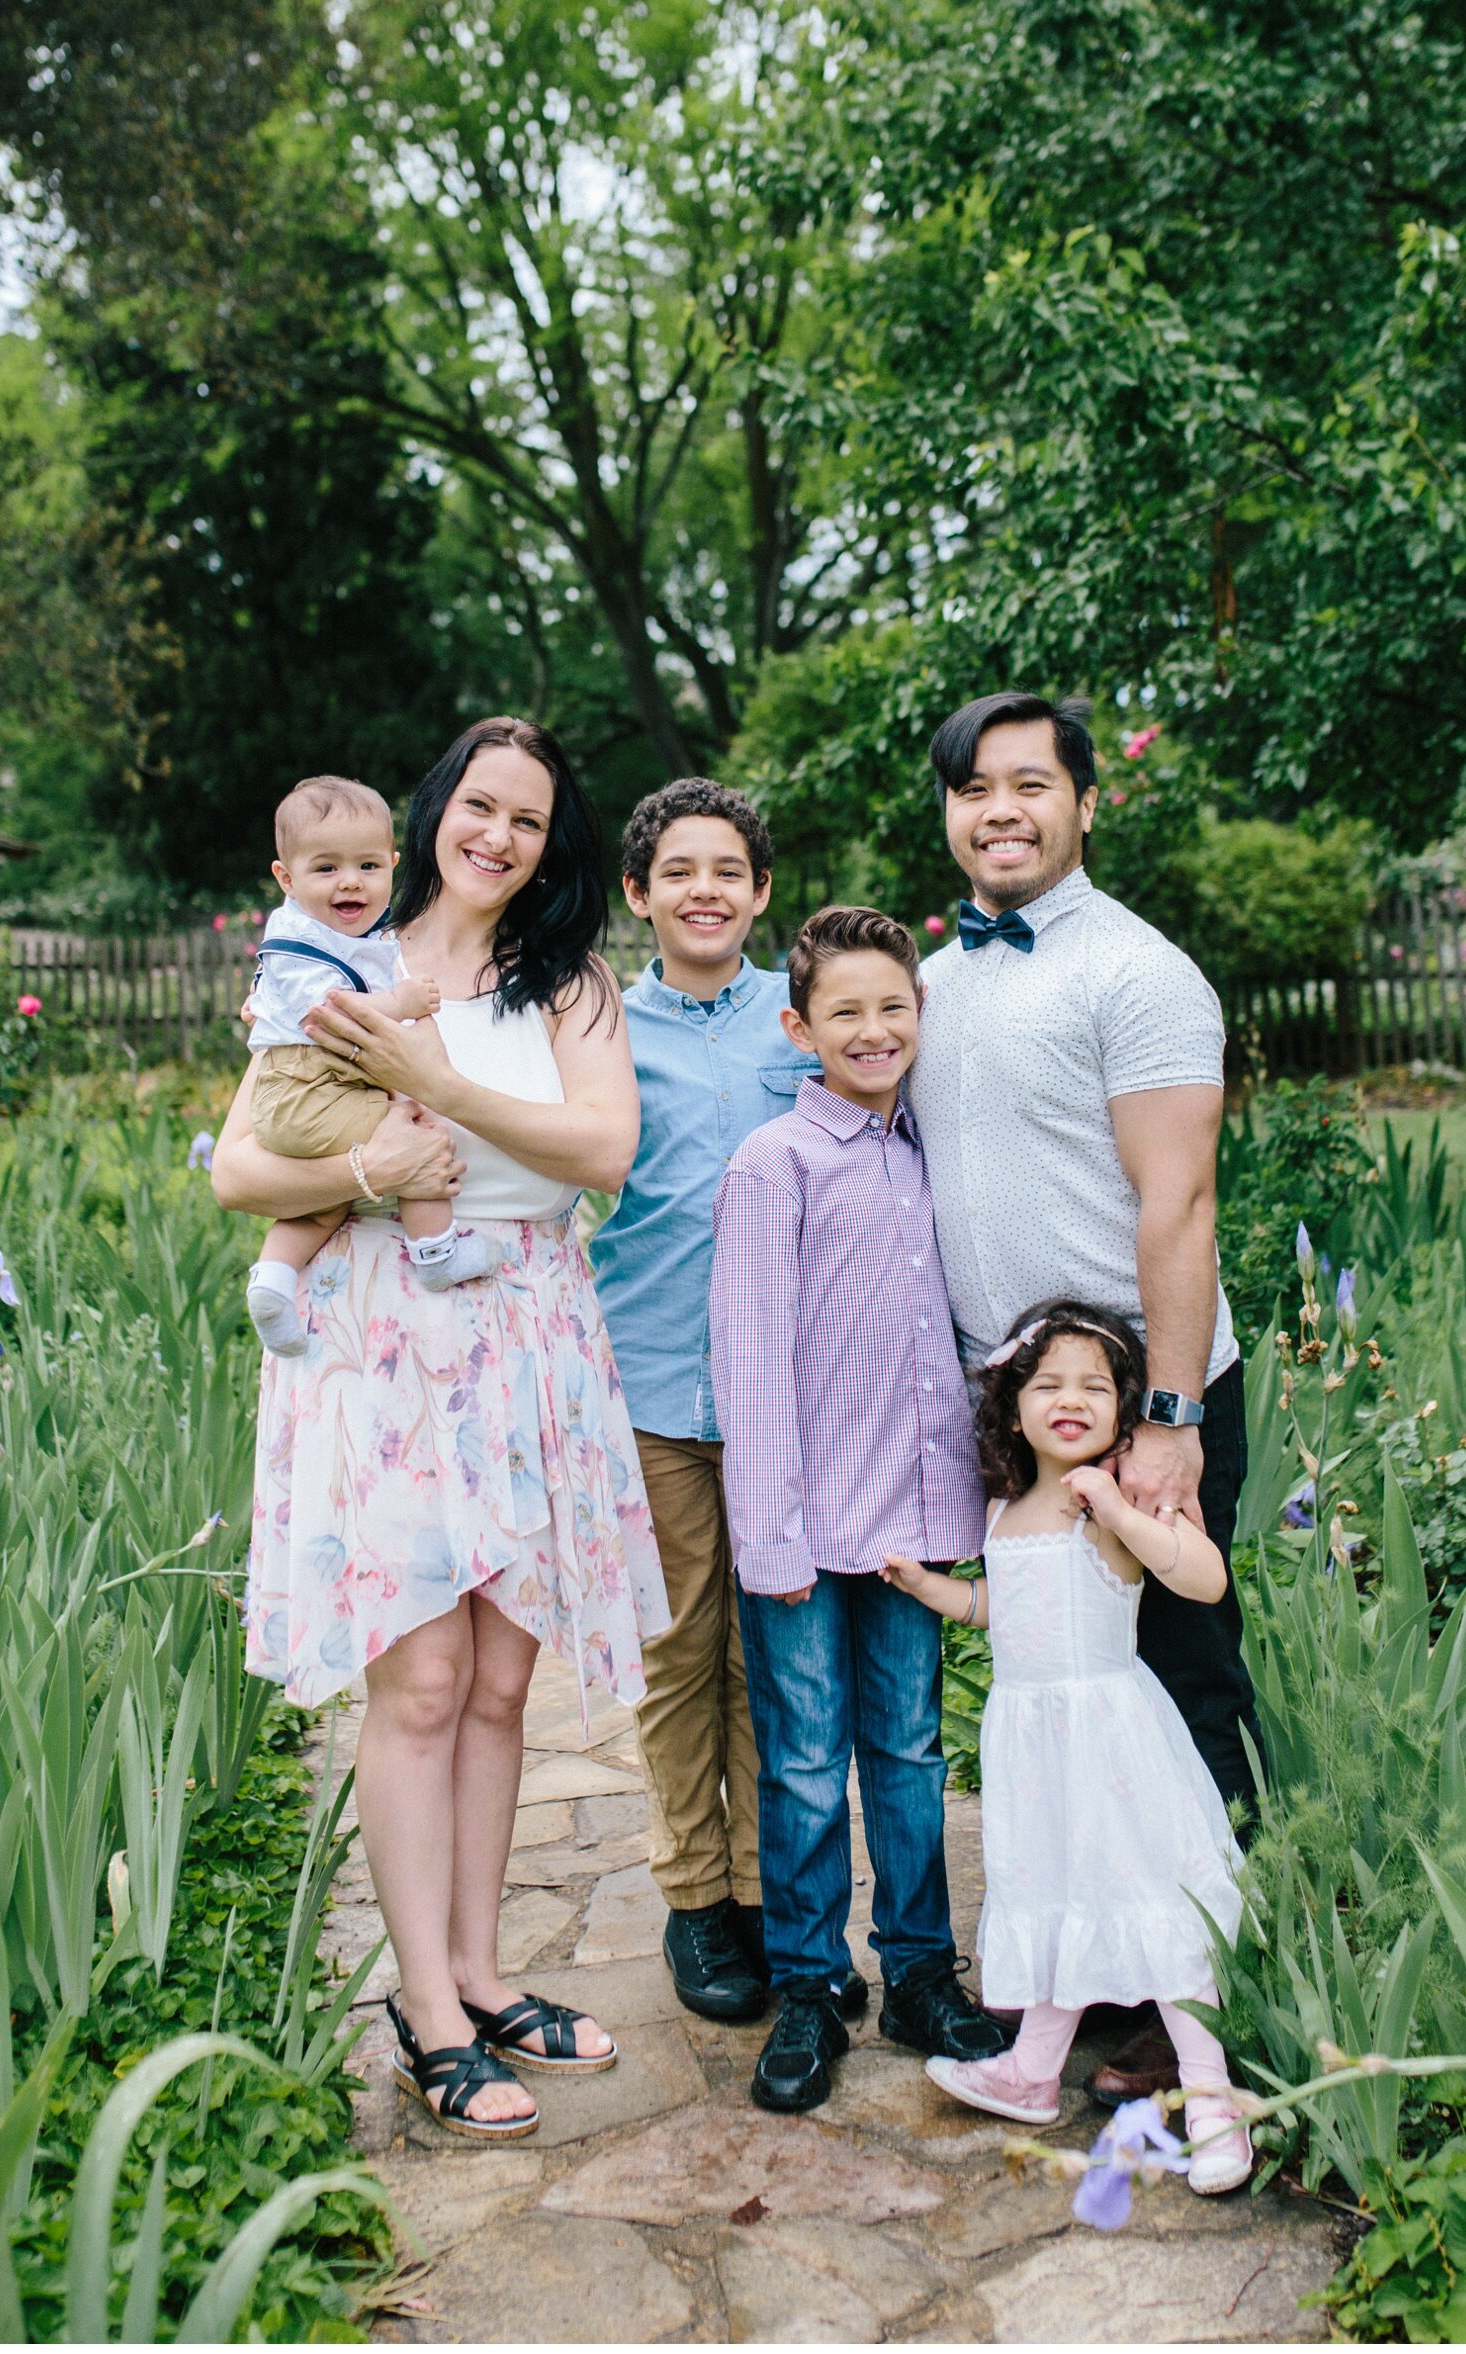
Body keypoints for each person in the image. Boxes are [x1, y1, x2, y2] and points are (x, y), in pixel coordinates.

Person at [212, 716, 669, 2142]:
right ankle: (425, 2008)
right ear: (437, 810)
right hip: (385, 1336)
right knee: (415, 1683)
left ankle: (482, 1971)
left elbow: (603, 1152)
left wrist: (453, 1097)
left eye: (529, 820)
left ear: (553, 845)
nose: (500, 835)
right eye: (481, 804)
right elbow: (239, 1164)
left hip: (527, 1328)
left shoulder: (573, 984)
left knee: (494, 1685)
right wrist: (367, 1159)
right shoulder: (340, 955)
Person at [908, 688, 1263, 2106]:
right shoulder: (940, 978)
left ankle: (1218, 1993)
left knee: (1179, 1684)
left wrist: (1169, 1414)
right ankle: (1099, 1989)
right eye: (973, 788)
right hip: (1019, 1410)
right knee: (1069, 1694)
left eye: (1029, 785)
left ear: (1085, 803)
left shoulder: (1140, 969)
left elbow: (1178, 1202)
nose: (1000, 809)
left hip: (1140, 1400)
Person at [710, 905, 1005, 2114]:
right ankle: (811, 1984)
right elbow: (751, 1360)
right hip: (806, 1523)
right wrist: (768, 1539)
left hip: (915, 1520)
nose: (874, 1028)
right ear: (801, 1026)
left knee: (911, 1750)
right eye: (847, 1010)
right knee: (801, 1760)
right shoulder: (774, 1161)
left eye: (895, 1006)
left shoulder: (933, 1153)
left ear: (919, 1016)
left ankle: (924, 1969)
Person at [590, 779, 869, 2029]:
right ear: (638, 894)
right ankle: (696, 1893)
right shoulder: (594, 1026)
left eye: (730, 869)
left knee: (779, 1654)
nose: (705, 887)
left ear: (761, 892)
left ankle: (772, 1894)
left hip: (791, 1396)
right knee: (680, 1648)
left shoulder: (802, 1025)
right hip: (650, 1379)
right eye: (678, 869)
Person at [882, 1301, 1252, 2193]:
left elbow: (1203, 1580)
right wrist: (931, 1586)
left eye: (1094, 1386)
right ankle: (1031, 2072)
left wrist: (1121, 1512)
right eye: (1047, 1384)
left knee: (1154, 1907)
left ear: (1124, 1413)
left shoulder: (1109, 1507)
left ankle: (1210, 2096)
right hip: (1035, 1750)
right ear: (1014, 1409)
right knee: (1053, 1894)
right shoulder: (1006, 1510)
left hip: (1112, 1743)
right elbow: (1000, 1614)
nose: (1070, 1400)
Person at [241, 774, 499, 1356]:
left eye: (367, 867)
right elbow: (332, 1014)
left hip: (304, 1090)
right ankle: (437, 1251)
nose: (350, 882)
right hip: (309, 1089)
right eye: (326, 869)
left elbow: (275, 999)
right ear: (286, 877)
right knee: (416, 1132)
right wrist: (400, 1004)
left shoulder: (333, 933)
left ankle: (274, 1281)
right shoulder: (307, 941)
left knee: (326, 1200)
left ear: (392, 864)